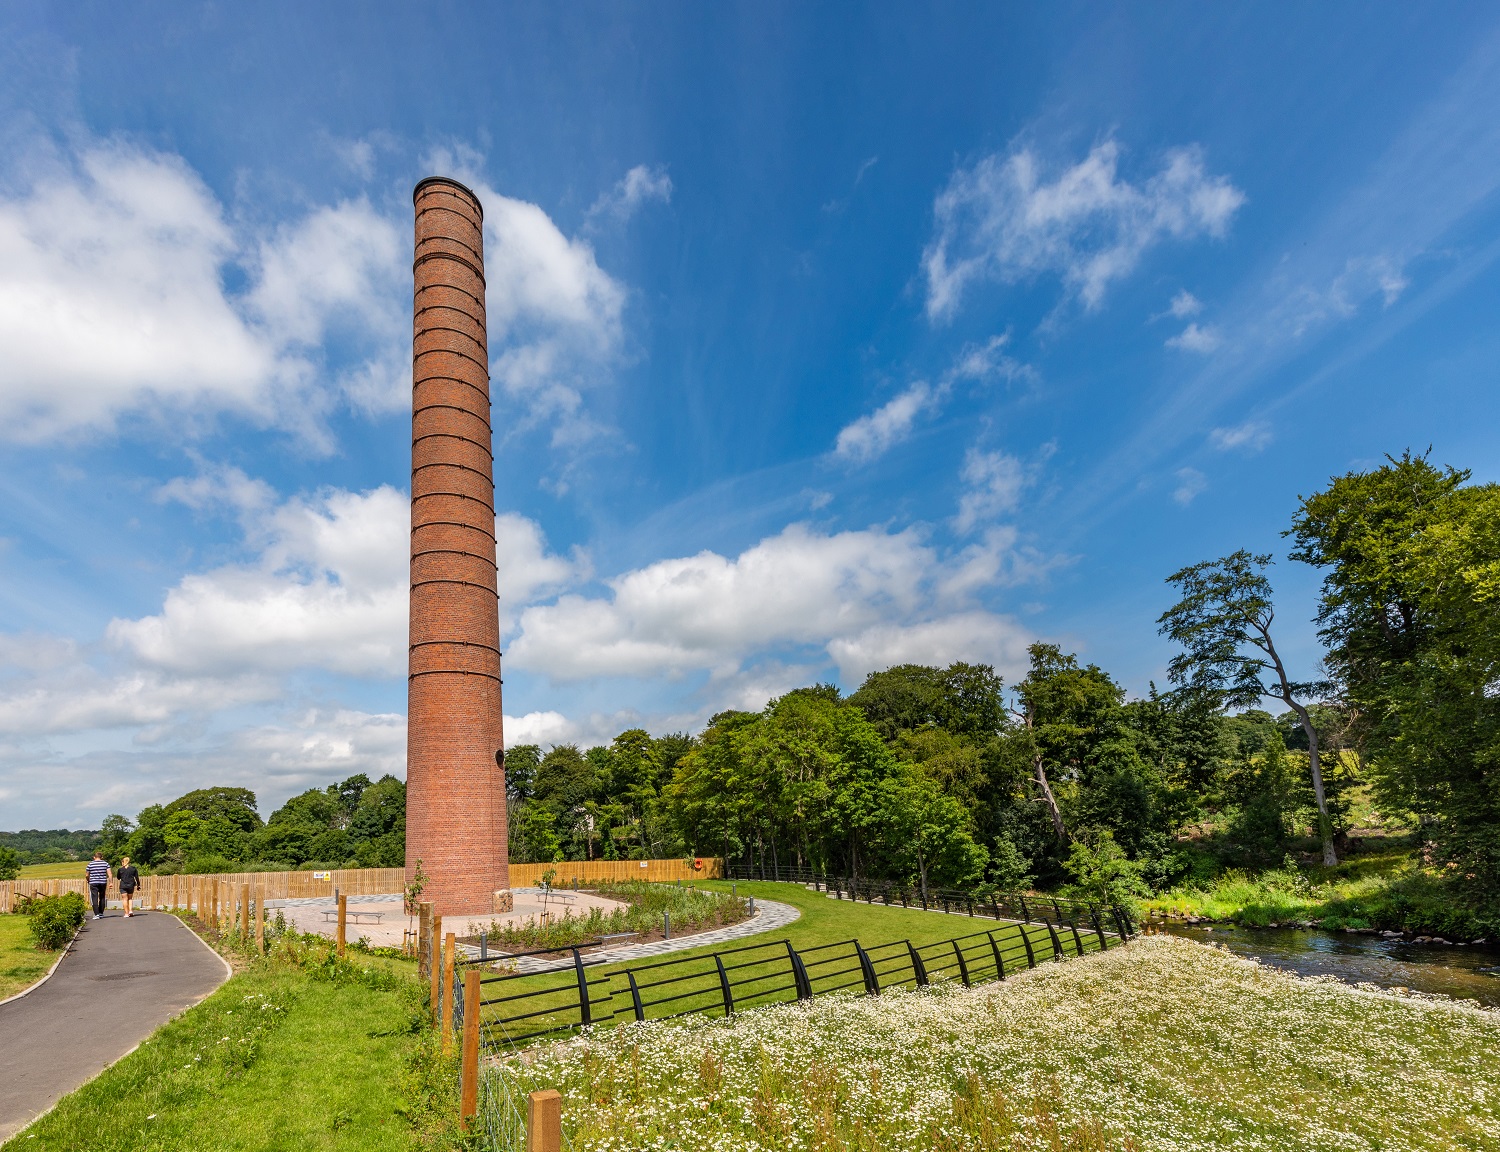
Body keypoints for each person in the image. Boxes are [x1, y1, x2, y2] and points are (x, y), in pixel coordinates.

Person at [85, 852, 110, 920]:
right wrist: (111, 882)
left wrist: (88, 880)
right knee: (102, 897)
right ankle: (101, 913)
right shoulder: (105, 863)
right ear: (101, 857)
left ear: (94, 857)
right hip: (102, 882)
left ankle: (96, 914)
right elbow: (109, 874)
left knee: (94, 898)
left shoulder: (90, 864)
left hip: (93, 882)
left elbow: (87, 875)